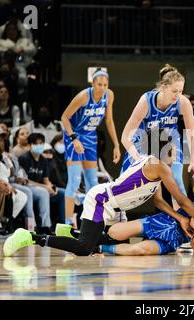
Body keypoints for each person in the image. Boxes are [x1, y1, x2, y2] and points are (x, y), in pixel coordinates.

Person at [3, 129, 194, 257]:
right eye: (175, 149)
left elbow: (160, 202)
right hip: (102, 200)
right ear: (165, 149)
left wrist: (182, 220)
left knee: (116, 247)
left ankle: (70, 232)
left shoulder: (155, 167)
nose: (177, 154)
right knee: (84, 249)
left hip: (117, 208)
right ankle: (32, 237)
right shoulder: (158, 166)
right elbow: (182, 200)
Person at [121, 64, 194, 200]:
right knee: (125, 184)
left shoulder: (183, 102)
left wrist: (193, 161)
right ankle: (117, 216)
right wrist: (139, 159)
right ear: (163, 87)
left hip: (169, 139)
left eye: (181, 91)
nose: (178, 95)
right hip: (145, 139)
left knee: (176, 180)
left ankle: (185, 219)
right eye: (174, 91)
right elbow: (124, 137)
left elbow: (192, 135)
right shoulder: (146, 101)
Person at [99, 190, 194, 255]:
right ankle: (92, 234)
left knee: (138, 250)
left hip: (174, 239)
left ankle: (100, 248)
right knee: (114, 232)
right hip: (164, 221)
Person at [61, 68, 121, 228]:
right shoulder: (83, 96)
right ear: (93, 84)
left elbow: (109, 120)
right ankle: (67, 223)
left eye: (105, 84)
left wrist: (116, 144)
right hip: (73, 135)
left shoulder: (109, 95)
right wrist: (73, 139)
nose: (102, 87)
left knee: (92, 183)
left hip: (90, 136)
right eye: (99, 84)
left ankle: (89, 223)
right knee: (74, 181)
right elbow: (64, 117)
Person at [18, 133, 64, 231]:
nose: (39, 146)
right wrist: (45, 187)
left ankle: (63, 224)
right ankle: (44, 225)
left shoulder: (43, 160)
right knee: (43, 192)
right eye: (36, 143)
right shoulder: (24, 158)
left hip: (40, 187)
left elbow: (46, 180)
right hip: (28, 186)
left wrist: (52, 187)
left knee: (63, 193)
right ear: (30, 145)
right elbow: (24, 180)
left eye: (41, 143)